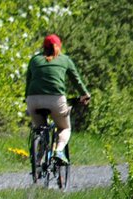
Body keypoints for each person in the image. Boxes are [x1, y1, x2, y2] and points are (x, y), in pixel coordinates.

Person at [25, 34, 90, 164]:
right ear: (59, 46)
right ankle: (59, 151)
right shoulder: (64, 60)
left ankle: (39, 158)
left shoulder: (34, 60)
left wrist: (26, 98)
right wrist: (85, 94)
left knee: (39, 128)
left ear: (43, 47)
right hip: (55, 100)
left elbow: (28, 82)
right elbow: (76, 80)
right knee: (65, 128)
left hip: (33, 100)